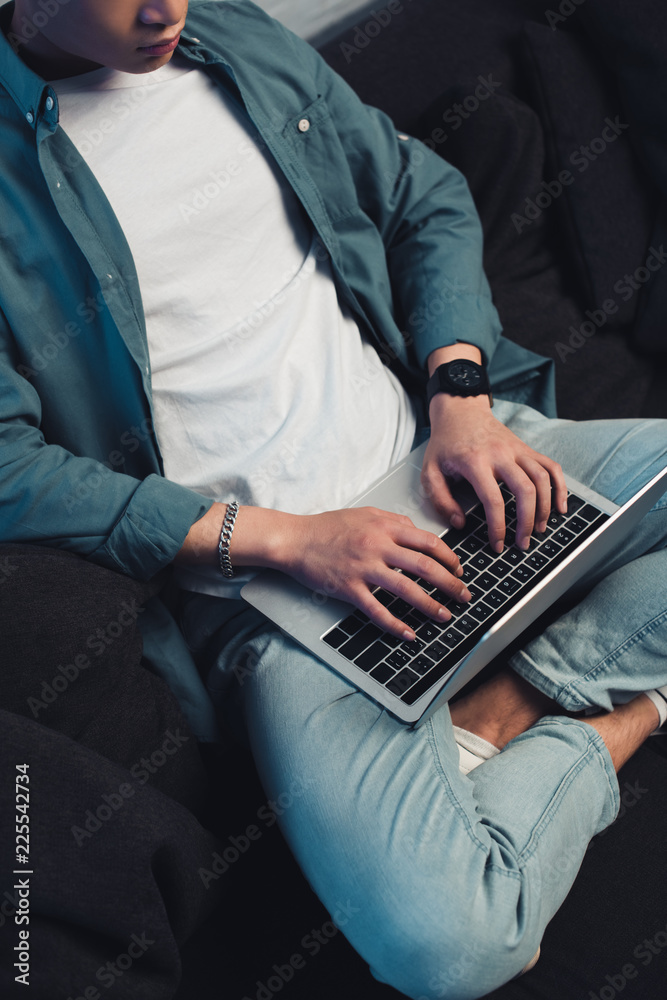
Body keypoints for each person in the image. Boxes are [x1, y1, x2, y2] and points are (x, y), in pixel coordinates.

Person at [0, 1, 665, 997]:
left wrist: (460, 395)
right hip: (277, 598)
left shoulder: (230, 37)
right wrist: (292, 541)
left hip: (462, 463)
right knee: (451, 943)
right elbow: (8, 470)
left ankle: (515, 700)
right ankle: (620, 717)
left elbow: (422, 196)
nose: (164, 8)